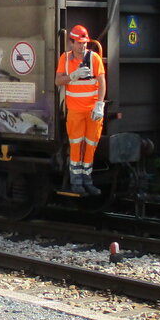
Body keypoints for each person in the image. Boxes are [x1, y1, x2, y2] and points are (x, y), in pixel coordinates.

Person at [54, 25, 106, 195]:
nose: (82, 46)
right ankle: (76, 182)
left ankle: (87, 180)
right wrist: (73, 76)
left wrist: (100, 104)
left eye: (84, 43)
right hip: (75, 111)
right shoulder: (65, 59)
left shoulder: (94, 58)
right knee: (76, 145)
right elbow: (58, 81)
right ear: (72, 42)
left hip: (92, 111)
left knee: (90, 145)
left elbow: (102, 81)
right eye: (78, 43)